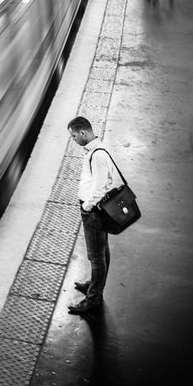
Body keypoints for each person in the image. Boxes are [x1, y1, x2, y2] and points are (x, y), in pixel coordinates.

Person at [66, 115, 124, 315]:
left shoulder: (97, 155)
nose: (74, 139)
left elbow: (100, 188)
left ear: (83, 132)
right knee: (102, 251)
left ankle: (93, 298)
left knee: (96, 257)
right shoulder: (96, 150)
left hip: (94, 212)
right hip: (95, 211)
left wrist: (88, 206)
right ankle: (95, 284)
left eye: (74, 136)